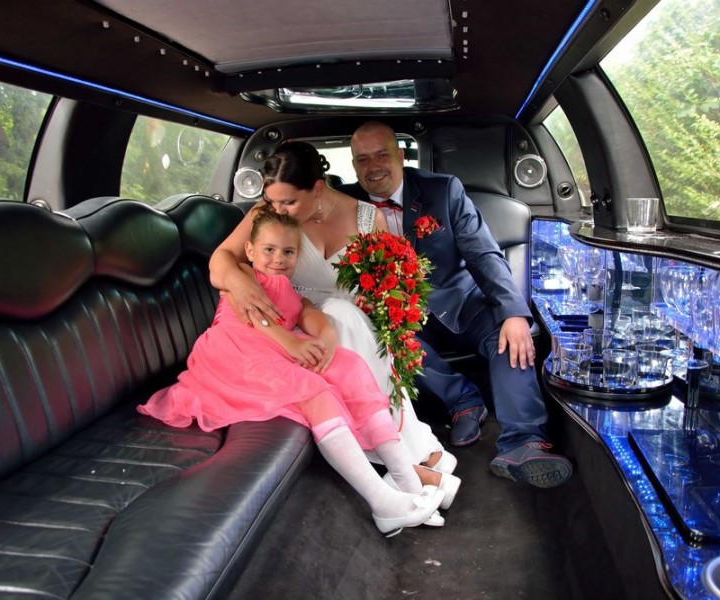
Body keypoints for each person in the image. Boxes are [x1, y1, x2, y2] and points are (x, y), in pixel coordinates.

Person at [138, 210, 448, 535]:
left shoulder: (289, 289)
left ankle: (407, 481)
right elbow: (254, 314)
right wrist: (290, 343)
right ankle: (381, 501)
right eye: (269, 250)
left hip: (273, 351)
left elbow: (306, 312)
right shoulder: (241, 275)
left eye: (288, 252)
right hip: (235, 353)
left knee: (350, 368)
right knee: (313, 390)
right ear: (250, 251)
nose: (278, 259)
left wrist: (325, 336)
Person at [337, 121, 573, 489]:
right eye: (363, 159)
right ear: (354, 166)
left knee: (510, 334)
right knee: (382, 340)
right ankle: (463, 400)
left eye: (382, 155)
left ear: (400, 156)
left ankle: (523, 443)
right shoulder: (346, 205)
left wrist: (513, 312)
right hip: (400, 316)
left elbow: (483, 253)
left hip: (461, 302)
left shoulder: (443, 190)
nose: (373, 167)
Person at [210, 141, 457, 479]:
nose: (278, 210)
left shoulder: (368, 218)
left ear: (317, 188)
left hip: (354, 321)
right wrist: (240, 284)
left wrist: (379, 302)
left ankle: (400, 451)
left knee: (349, 316)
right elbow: (221, 259)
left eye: (289, 202)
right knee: (342, 315)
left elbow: (387, 288)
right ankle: (402, 458)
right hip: (296, 321)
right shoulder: (266, 215)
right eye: (272, 201)